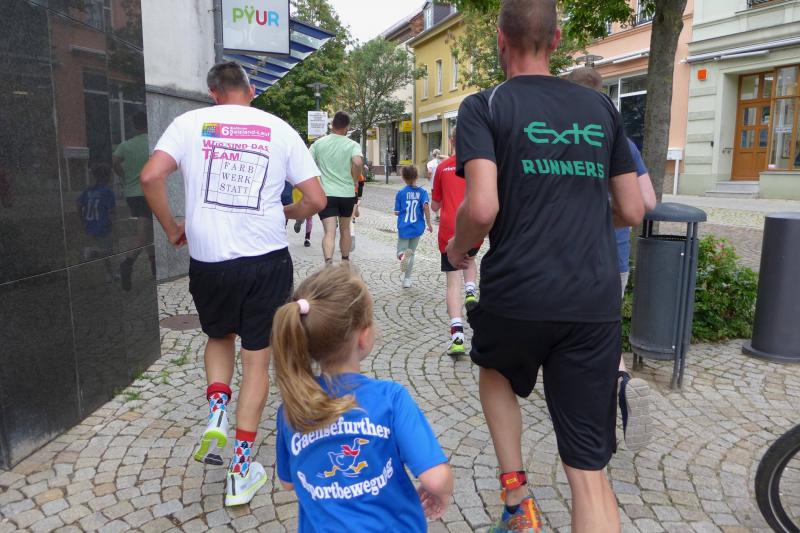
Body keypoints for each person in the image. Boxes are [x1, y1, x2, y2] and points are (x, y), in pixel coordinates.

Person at [446, 1, 645, 531]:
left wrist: (458, 249)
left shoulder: (485, 105)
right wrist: (582, 210)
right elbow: (632, 210)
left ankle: (517, 500)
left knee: (493, 367)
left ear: (500, 40)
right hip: (592, 300)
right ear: (556, 40)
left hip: (519, 292)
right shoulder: (600, 108)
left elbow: (481, 208)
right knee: (589, 475)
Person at [140, 61, 326, 507]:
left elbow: (150, 176)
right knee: (257, 361)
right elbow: (316, 199)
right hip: (266, 260)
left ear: (213, 93)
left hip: (209, 262)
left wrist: (171, 227)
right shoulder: (279, 129)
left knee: (218, 336)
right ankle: (241, 470)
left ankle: (216, 412)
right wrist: (289, 213)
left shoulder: (188, 124)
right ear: (252, 89)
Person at [272, 265, 453, 532]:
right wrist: (443, 493)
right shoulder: (391, 399)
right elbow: (436, 479)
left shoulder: (292, 408)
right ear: (364, 336)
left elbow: (288, 482)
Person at [567, 66, 657, 452]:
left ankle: (585, 412)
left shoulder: (564, 138)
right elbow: (648, 201)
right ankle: (620, 384)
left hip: (570, 257)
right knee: (602, 334)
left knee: (570, 337)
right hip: (614, 258)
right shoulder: (623, 142)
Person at [432, 125, 481, 357]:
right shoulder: (477, 166)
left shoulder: (442, 167)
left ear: (451, 142)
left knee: (452, 284)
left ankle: (457, 337)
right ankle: (471, 290)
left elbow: (435, 205)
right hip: (471, 224)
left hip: (448, 228)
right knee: (469, 258)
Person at [310, 111, 363, 264]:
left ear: (332, 125)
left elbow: (307, 161)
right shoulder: (352, 145)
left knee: (329, 232)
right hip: (347, 194)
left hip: (326, 194)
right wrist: (355, 179)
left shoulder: (319, 143)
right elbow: (357, 162)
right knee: (345, 230)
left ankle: (328, 263)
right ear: (347, 127)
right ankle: (345, 261)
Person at [113, 111, 155, 287]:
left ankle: (154, 267)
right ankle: (128, 262)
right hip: (149, 194)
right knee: (143, 235)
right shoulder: (154, 144)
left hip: (132, 194)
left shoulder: (126, 145)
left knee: (149, 232)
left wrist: (124, 176)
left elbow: (115, 161)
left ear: (134, 126)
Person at [394, 165, 432, 288]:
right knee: (411, 253)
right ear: (416, 176)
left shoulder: (401, 193)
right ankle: (407, 280)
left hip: (404, 227)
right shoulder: (423, 193)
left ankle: (402, 255)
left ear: (403, 178)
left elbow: (397, 212)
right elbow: (426, 207)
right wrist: (429, 223)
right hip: (417, 227)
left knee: (401, 251)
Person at [77, 163, 116, 280]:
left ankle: (109, 274)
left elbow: (78, 204)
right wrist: (113, 224)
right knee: (108, 251)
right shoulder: (107, 192)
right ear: (106, 177)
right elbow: (111, 211)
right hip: (103, 226)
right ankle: (90, 253)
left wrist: (82, 219)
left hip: (90, 224)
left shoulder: (88, 191)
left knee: (105, 251)